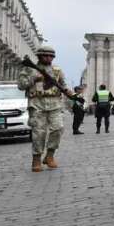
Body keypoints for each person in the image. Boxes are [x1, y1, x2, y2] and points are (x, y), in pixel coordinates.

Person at [18, 44, 73, 172]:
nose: (48, 58)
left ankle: (49, 155)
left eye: (51, 56)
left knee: (58, 129)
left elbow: (62, 85)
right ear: (39, 56)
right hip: (37, 104)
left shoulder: (57, 70)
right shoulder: (28, 69)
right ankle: (36, 159)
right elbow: (21, 85)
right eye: (45, 56)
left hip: (55, 104)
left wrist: (70, 93)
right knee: (39, 133)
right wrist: (34, 78)